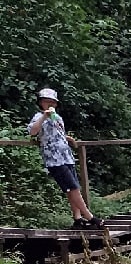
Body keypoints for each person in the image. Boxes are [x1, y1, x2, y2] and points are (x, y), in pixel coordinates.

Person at [27, 88, 102, 229]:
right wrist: (45, 116)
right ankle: (90, 217)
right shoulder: (38, 117)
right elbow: (32, 131)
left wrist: (69, 139)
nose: (50, 104)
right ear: (41, 103)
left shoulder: (58, 117)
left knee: (72, 188)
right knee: (73, 187)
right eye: (47, 101)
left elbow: (58, 134)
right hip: (53, 159)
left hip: (66, 156)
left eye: (52, 102)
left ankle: (78, 218)